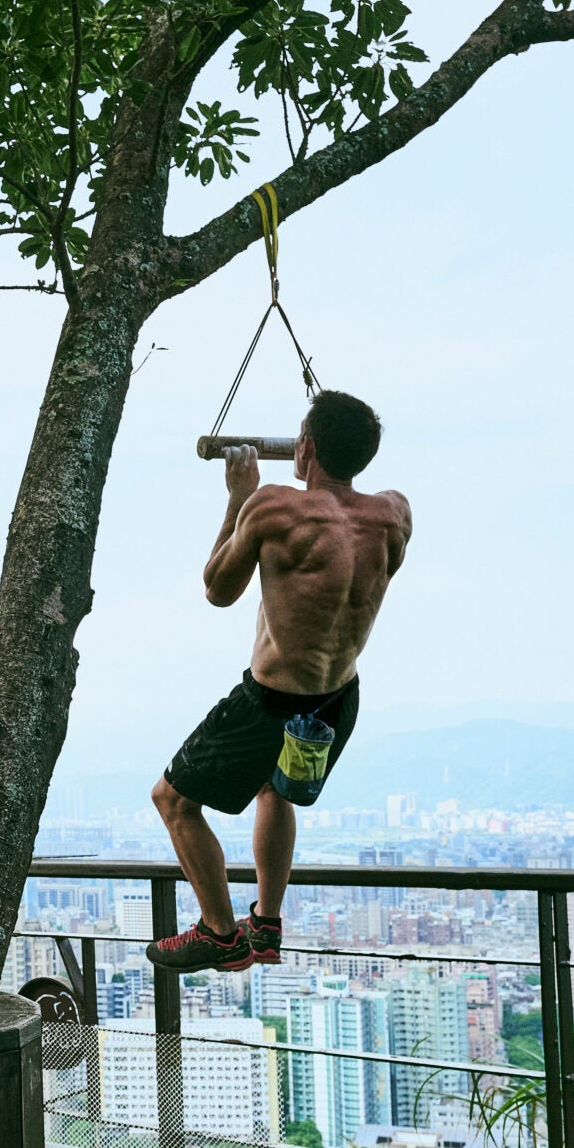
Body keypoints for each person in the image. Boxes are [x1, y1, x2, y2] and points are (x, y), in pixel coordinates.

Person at [147, 389, 411, 972]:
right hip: (337, 699)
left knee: (173, 801)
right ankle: (266, 925)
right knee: (275, 790)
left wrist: (238, 502)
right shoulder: (393, 515)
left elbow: (218, 590)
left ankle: (219, 931)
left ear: (306, 447)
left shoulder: (275, 509)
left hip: (270, 700)